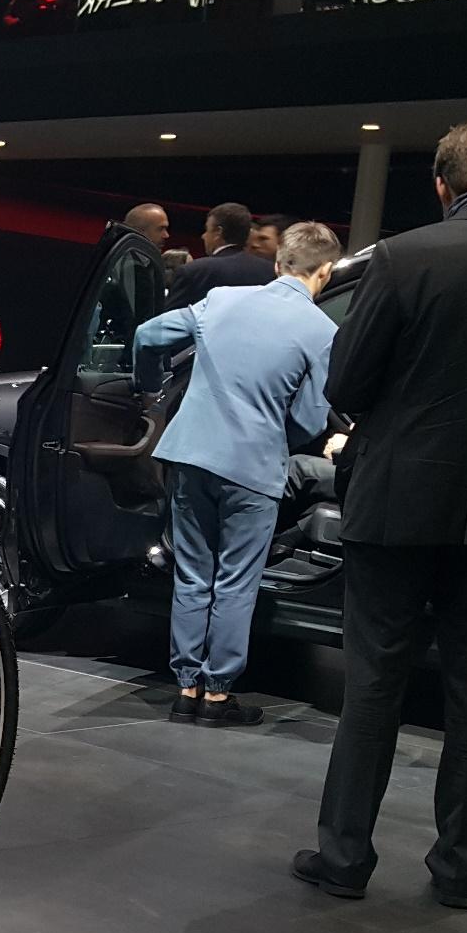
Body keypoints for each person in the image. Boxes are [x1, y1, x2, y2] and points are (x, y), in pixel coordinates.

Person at [298, 120, 467, 909]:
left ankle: (345, 857)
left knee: (375, 682)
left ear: (442, 186)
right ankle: (462, 870)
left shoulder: (404, 257)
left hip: (395, 502)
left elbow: (346, 384)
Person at [132, 220, 342, 726]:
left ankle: (185, 688)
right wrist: (274, 436)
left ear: (279, 263)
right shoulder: (322, 331)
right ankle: (218, 695)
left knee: (192, 575)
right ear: (326, 272)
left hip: (191, 456)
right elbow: (312, 419)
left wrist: (148, 385)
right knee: (235, 582)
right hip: (253, 468)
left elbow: (148, 335)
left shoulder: (223, 300)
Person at [165, 201, 275, 309]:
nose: (203, 236)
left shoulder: (194, 271)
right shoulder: (271, 272)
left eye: (207, 230)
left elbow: (169, 319)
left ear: (218, 232)